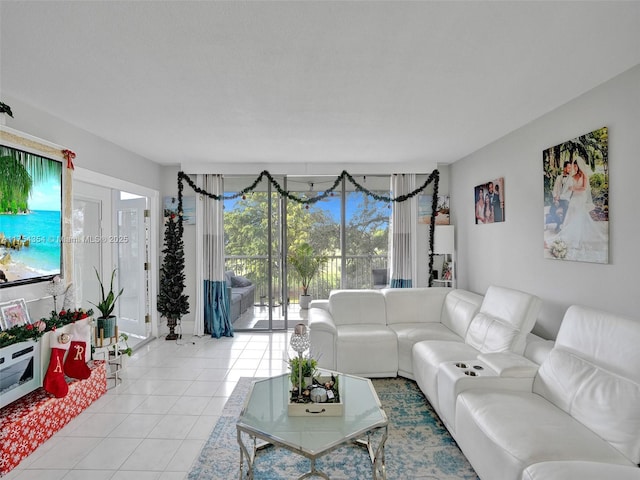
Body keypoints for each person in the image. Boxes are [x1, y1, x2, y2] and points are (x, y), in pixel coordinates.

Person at [551, 157, 607, 260]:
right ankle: (569, 237)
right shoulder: (572, 176)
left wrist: (574, 188)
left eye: (576, 166)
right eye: (574, 166)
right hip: (573, 198)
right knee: (571, 216)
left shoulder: (584, 176)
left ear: (579, 166)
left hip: (580, 198)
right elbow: (568, 188)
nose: (574, 168)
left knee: (579, 217)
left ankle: (578, 240)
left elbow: (584, 188)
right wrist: (561, 196)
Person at [547, 161, 572, 232]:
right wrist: (555, 199)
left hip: (565, 199)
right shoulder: (558, 177)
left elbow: (568, 193)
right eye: (568, 167)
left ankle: (561, 225)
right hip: (557, 199)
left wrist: (559, 197)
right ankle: (558, 222)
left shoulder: (571, 179)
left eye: (570, 168)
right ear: (564, 168)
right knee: (551, 210)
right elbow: (554, 189)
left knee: (566, 207)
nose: (570, 169)